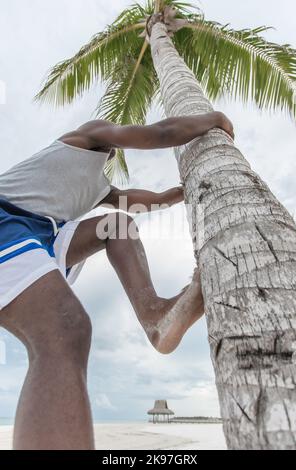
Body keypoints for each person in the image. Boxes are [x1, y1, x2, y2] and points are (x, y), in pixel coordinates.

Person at [0, 111, 234, 450]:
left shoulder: (100, 189)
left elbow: (138, 202)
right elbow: (160, 132)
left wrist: (179, 193)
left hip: (42, 235)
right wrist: (214, 119)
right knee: (63, 331)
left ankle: (155, 315)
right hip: (8, 220)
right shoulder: (87, 135)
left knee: (118, 225)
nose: (115, 148)